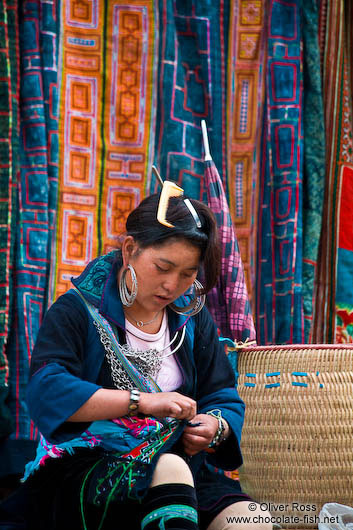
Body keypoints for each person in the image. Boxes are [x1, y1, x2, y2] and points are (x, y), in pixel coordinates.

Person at [0, 183, 271, 530]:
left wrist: (216, 427)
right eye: (163, 267)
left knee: (251, 523)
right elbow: (48, 389)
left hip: (181, 467)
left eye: (187, 274)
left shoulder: (191, 319)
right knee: (170, 471)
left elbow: (221, 393)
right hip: (93, 469)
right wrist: (141, 402)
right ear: (130, 249)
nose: (172, 285)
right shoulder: (78, 311)